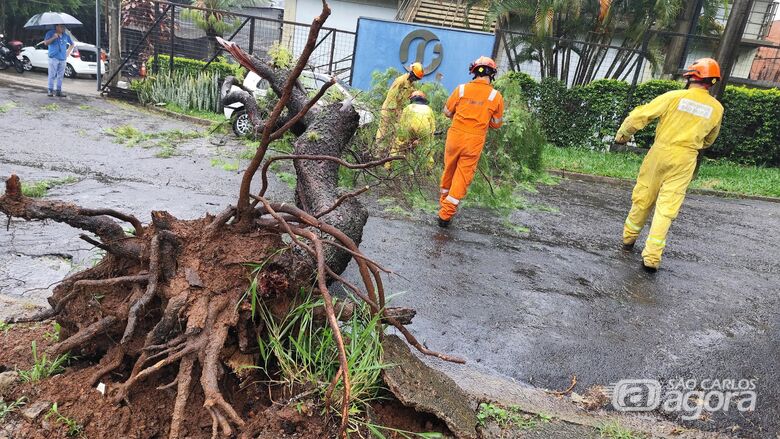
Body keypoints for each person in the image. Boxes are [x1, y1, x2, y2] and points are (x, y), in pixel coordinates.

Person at [615, 58, 724, 272]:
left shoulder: (674, 97)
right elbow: (710, 140)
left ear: (691, 77)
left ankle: (628, 239)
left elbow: (639, 115)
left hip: (660, 153)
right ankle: (652, 259)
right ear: (712, 82)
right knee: (667, 207)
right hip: (686, 158)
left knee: (644, 196)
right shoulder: (716, 108)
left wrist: (623, 135)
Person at [437, 56, 504, 228]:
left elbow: (446, 111)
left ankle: (443, 203)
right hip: (474, 141)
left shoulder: (461, 90)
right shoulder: (496, 96)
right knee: (462, 176)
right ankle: (445, 215)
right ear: (492, 74)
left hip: (455, 136)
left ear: (473, 72)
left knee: (449, 170)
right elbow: (496, 125)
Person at [375, 62, 424, 149]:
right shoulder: (400, 80)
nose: (415, 79)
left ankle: (391, 148)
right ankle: (378, 149)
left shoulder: (412, 85)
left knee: (398, 129)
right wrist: (394, 109)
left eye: (417, 78)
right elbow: (392, 95)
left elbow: (409, 99)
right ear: (411, 73)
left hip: (398, 109)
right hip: (389, 108)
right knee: (383, 128)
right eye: (415, 77)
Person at [392, 90, 437, 169]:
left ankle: (390, 164)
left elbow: (402, 124)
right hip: (424, 129)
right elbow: (432, 127)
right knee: (426, 148)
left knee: (399, 145)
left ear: (412, 99)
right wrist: (430, 138)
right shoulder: (428, 109)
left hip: (409, 128)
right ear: (423, 99)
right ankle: (428, 168)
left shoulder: (408, 108)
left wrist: (401, 138)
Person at [43, 24, 73, 97]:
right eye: (61, 26)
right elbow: (46, 43)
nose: (63, 28)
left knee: (60, 76)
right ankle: (50, 90)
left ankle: (58, 91)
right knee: (52, 75)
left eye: (63, 26)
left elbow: (72, 44)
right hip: (53, 58)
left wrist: (67, 53)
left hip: (62, 58)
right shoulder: (50, 33)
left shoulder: (65, 35)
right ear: (56, 27)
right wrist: (53, 37)